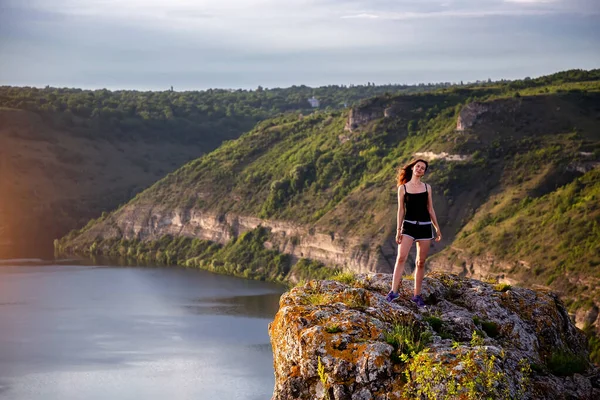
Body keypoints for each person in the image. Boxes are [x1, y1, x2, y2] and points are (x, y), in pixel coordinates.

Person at [386, 159, 442, 307]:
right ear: (412, 168)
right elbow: (401, 210)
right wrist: (398, 230)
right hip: (408, 226)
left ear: (424, 172)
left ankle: (417, 296)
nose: (419, 169)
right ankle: (393, 292)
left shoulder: (427, 188)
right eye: (418, 166)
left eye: (423, 168)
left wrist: (437, 228)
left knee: (420, 262)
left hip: (424, 227)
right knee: (401, 258)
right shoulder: (403, 188)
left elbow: (430, 209)